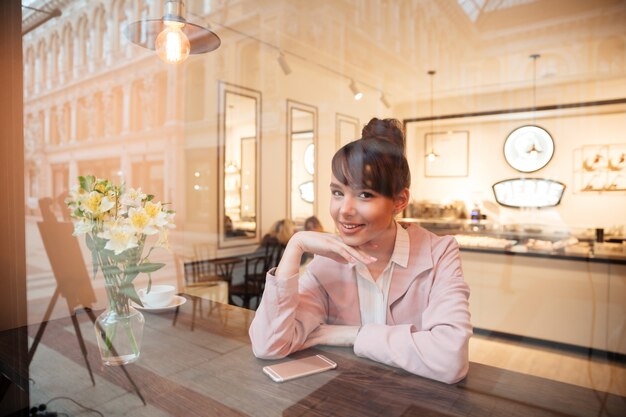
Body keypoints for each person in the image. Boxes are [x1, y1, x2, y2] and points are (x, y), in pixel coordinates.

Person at [249, 118, 472, 384]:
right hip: (346, 398)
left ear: (399, 200)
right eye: (337, 192)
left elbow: (450, 360)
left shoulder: (438, 253)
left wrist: (351, 334)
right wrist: (295, 246)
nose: (344, 210)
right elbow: (269, 345)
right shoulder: (328, 260)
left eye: (365, 195)